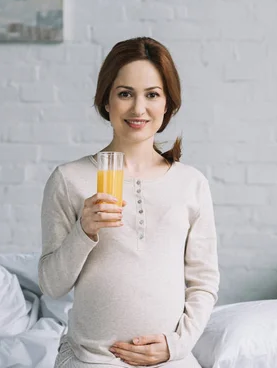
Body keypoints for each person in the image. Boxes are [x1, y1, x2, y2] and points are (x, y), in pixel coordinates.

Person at [38, 37, 220, 368]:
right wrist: (84, 231)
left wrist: (176, 346)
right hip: (90, 359)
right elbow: (51, 285)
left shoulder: (191, 183)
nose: (138, 109)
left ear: (167, 104)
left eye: (152, 94)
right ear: (106, 100)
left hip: (170, 358)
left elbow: (204, 283)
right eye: (125, 94)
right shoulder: (69, 179)